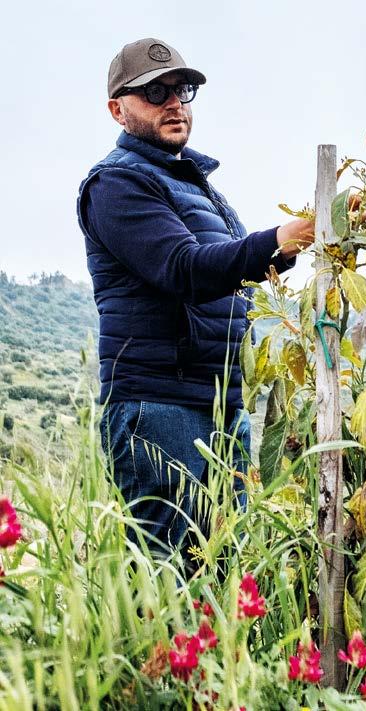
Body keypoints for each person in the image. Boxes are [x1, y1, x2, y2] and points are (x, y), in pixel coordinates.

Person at [76, 38, 314, 566]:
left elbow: (231, 269)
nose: (173, 103)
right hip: (160, 410)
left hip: (222, 405)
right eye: (153, 92)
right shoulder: (115, 184)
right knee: (170, 583)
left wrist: (311, 236)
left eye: (181, 90)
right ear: (117, 109)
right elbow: (185, 268)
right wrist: (280, 239)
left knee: (226, 578)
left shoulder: (195, 185)